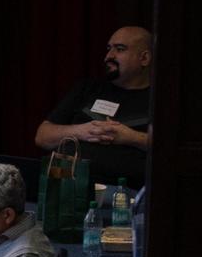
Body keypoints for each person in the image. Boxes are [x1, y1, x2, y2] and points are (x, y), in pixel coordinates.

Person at [34, 26, 152, 189]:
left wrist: (130, 137)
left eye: (120, 49)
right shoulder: (88, 88)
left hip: (123, 195)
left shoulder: (158, 100)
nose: (108, 56)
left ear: (144, 58)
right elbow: (42, 136)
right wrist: (83, 131)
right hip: (65, 186)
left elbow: (171, 150)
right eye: (109, 49)